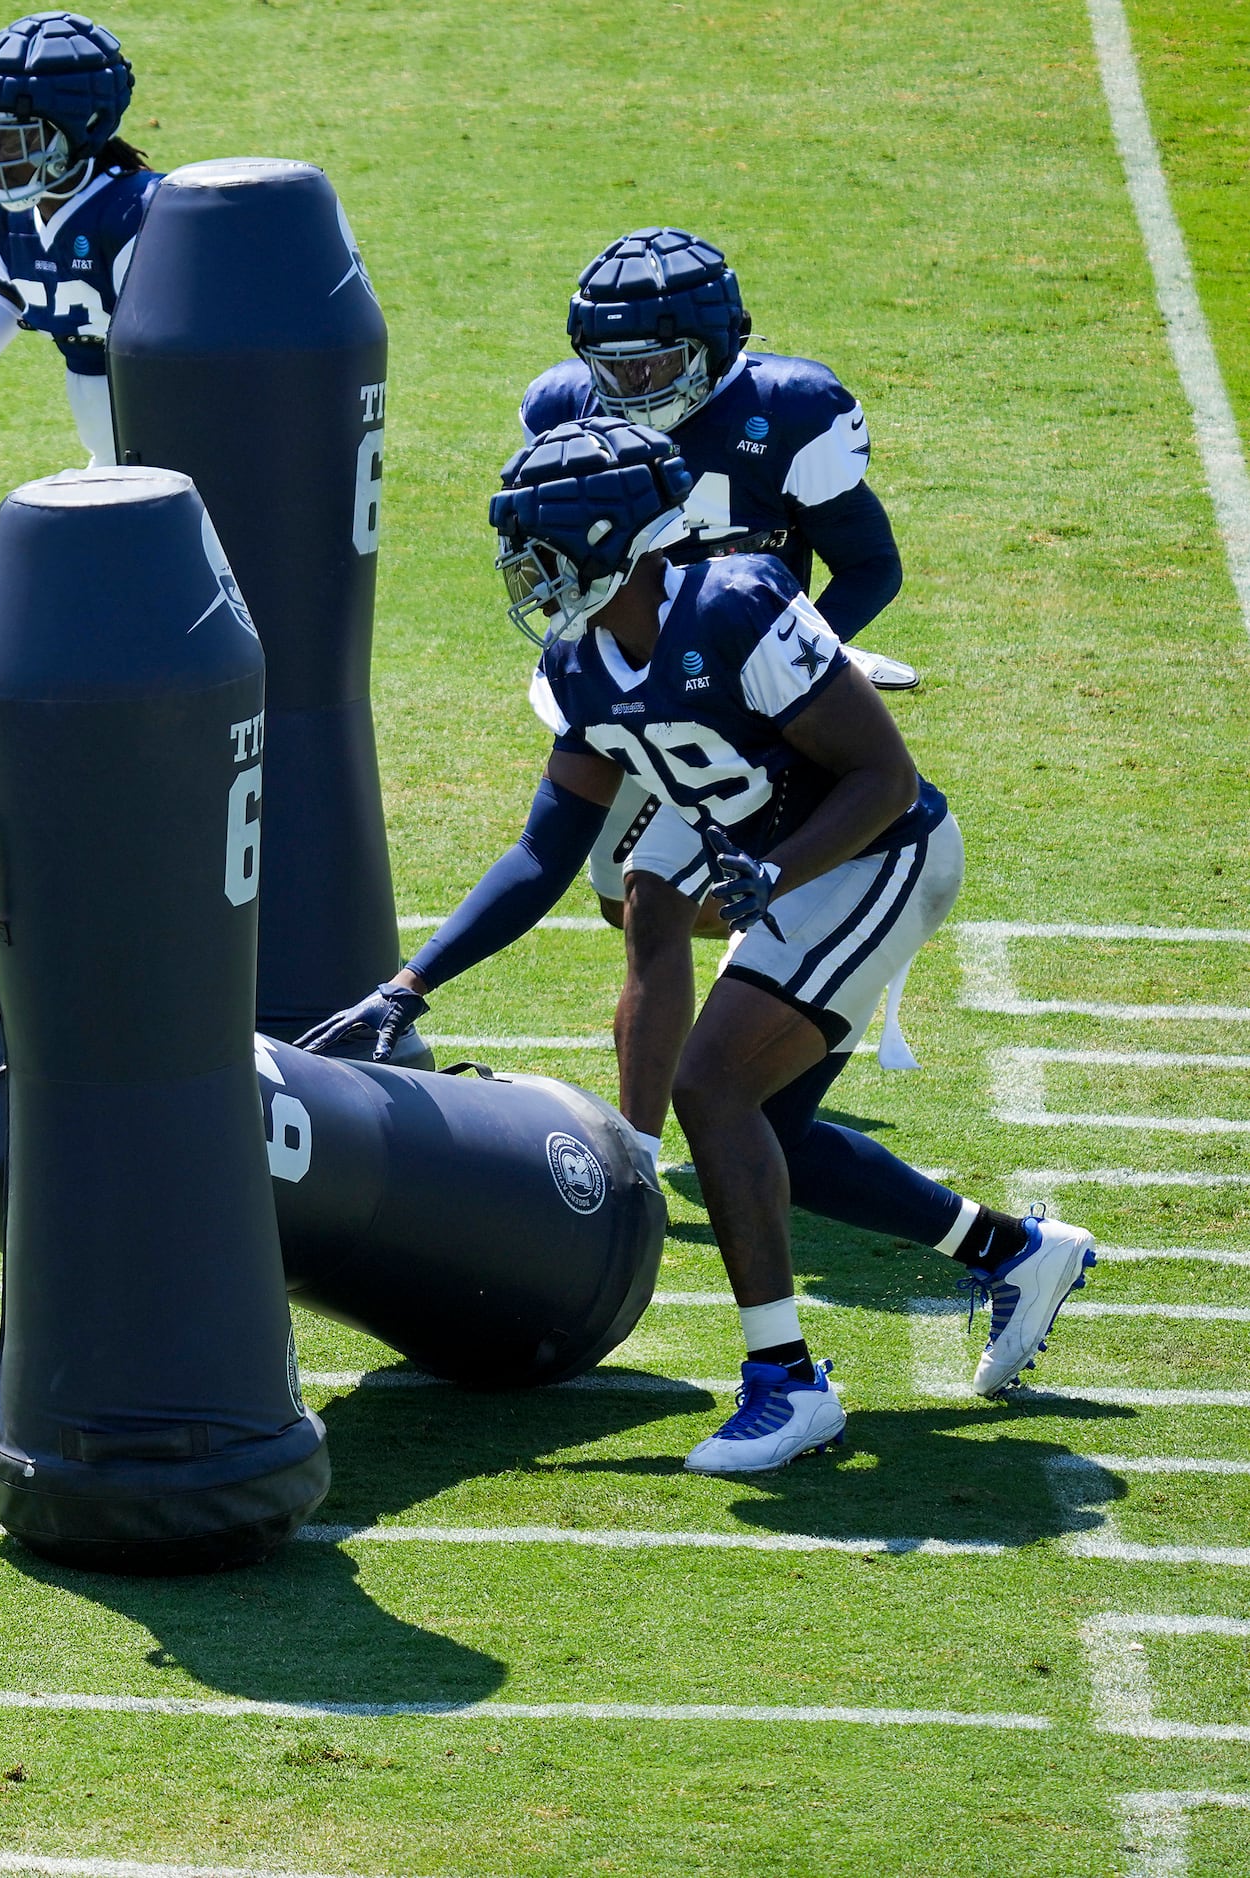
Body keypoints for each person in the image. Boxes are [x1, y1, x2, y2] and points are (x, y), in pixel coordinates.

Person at [301, 420, 1096, 1474]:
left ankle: (787, 1384)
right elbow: (541, 857)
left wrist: (776, 872)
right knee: (759, 1113)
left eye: (540, 548)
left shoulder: (735, 606)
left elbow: (882, 782)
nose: (523, 574)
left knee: (716, 1089)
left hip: (874, 853)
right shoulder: (581, 663)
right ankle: (1013, 1251)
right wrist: (406, 987)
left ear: (610, 538)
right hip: (773, 847)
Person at [524, 229, 920, 950]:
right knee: (621, 904)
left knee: (687, 902)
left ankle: (769, 984)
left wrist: (810, 656)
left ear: (718, 344)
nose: (632, 390)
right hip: (627, 671)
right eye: (613, 371)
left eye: (657, 365)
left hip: (746, 687)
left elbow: (869, 565)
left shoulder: (786, 410)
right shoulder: (563, 410)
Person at [0, 11, 157, 468]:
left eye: (17, 139)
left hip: (192, 454)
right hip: (114, 462)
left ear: (82, 126)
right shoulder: (13, 223)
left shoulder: (140, 214)